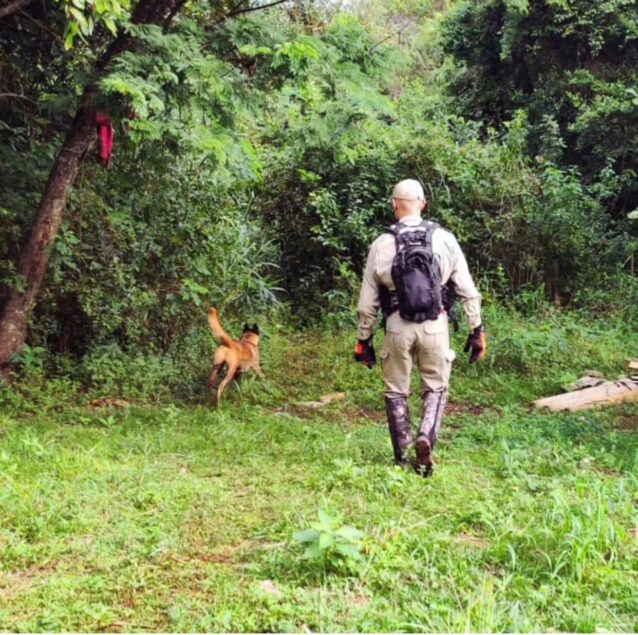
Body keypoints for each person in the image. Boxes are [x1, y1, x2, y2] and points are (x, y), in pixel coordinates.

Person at [354, 179, 486, 476]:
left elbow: (367, 304)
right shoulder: (444, 238)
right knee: (436, 388)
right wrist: (476, 330)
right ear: (423, 203)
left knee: (395, 391)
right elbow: (467, 289)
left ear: (394, 204)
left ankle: (401, 456)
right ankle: (425, 436)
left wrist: (364, 341)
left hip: (397, 326)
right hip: (435, 325)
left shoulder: (382, 243)